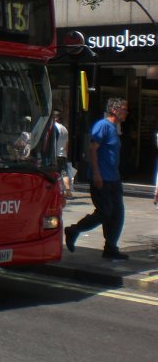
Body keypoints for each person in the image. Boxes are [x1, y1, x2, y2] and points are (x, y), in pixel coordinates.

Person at [64, 98, 129, 260]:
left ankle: (110, 248)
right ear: (114, 110)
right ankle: (74, 230)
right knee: (104, 212)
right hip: (102, 178)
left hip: (114, 179)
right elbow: (92, 150)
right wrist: (96, 174)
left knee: (117, 214)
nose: (126, 113)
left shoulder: (114, 128)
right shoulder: (103, 126)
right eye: (124, 109)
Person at [53, 110, 71, 197]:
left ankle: (56, 191)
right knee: (64, 173)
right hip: (63, 154)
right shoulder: (65, 129)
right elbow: (67, 144)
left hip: (55, 154)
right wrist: (65, 154)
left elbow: (53, 142)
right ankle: (68, 190)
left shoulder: (54, 127)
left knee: (54, 174)